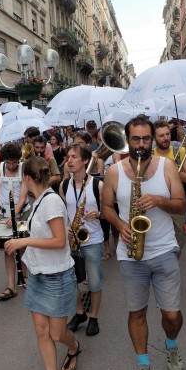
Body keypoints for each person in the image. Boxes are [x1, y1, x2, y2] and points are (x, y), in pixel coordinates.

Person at [101, 116, 185, 370]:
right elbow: (107, 208)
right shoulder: (114, 171)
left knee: (172, 316)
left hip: (163, 249)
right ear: (128, 140)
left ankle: (171, 345)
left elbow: (181, 205)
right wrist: (120, 225)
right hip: (130, 254)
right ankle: (143, 363)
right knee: (137, 313)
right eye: (135, 139)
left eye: (145, 139)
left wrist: (160, 201)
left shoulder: (168, 166)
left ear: (152, 139)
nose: (140, 145)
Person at [4, 156, 81, 370]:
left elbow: (59, 241)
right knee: (41, 330)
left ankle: (74, 346)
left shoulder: (50, 202)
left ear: (27, 178)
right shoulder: (39, 202)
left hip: (57, 277)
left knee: (58, 334)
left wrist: (23, 241)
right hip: (38, 274)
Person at [60, 144, 105, 337]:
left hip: (93, 240)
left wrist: (100, 213)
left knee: (94, 282)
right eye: (68, 157)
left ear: (85, 161)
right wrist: (67, 227)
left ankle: (93, 317)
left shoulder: (97, 185)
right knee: (72, 281)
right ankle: (79, 313)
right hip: (73, 240)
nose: (69, 160)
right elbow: (62, 213)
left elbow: (109, 211)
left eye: (74, 157)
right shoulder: (63, 185)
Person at [0, 142, 30, 299]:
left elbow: (22, 196)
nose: (12, 165)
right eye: (9, 162)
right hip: (4, 211)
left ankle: (25, 275)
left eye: (15, 162)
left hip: (21, 212)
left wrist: (14, 216)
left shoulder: (24, 169)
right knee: (8, 248)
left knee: (23, 246)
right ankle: (11, 285)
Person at [153, 121, 186, 243]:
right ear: (154, 138)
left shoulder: (179, 151)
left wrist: (174, 173)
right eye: (161, 136)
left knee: (179, 241)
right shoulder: (150, 155)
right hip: (157, 206)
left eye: (167, 134)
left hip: (176, 203)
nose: (166, 138)